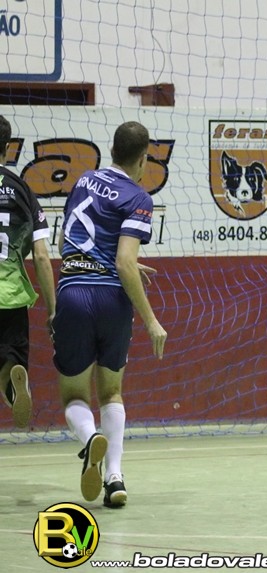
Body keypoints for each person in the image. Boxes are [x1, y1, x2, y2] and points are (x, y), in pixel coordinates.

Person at [53, 121, 167, 508]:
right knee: (112, 391)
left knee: (74, 395)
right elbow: (123, 262)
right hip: (111, 299)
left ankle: (90, 440)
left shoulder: (84, 180)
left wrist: (119, 266)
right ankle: (115, 478)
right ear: (143, 158)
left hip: (73, 292)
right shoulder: (139, 197)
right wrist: (151, 320)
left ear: (112, 150)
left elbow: (73, 242)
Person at [0, 115, 57, 429]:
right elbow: (42, 256)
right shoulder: (22, 189)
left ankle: (10, 382)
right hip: (11, 295)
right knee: (11, 356)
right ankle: (13, 380)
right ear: (8, 147)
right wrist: (52, 311)